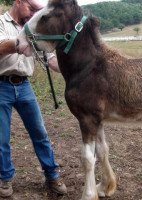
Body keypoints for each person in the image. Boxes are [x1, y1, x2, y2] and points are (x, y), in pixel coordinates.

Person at [0, 0, 67, 197]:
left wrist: (71, 71)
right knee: (1, 138)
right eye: (31, 8)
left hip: (25, 86)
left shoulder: (33, 26)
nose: (33, 13)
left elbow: (51, 58)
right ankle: (5, 178)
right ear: (18, 2)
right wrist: (24, 39)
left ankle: (52, 174)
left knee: (40, 132)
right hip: (1, 85)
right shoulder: (2, 22)